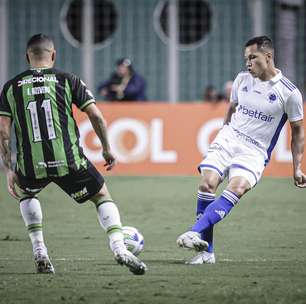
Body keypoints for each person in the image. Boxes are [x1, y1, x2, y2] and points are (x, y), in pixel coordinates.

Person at [0, 34, 147, 275]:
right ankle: (119, 248)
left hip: (31, 163)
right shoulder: (67, 80)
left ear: (27, 56)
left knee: (26, 193)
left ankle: (40, 251)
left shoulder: (11, 86)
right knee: (101, 195)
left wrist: (8, 169)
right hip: (68, 160)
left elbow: (3, 131)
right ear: (54, 55)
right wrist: (107, 148)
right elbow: (96, 116)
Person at [177, 36, 306, 265]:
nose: (248, 63)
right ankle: (206, 252)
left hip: (255, 150)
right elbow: (232, 108)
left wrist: (297, 167)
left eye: (252, 58)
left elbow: (298, 132)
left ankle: (194, 232)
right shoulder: (241, 80)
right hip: (229, 138)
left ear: (268, 56)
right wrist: (224, 132)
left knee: (236, 188)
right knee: (207, 184)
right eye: (246, 58)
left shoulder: (290, 93)